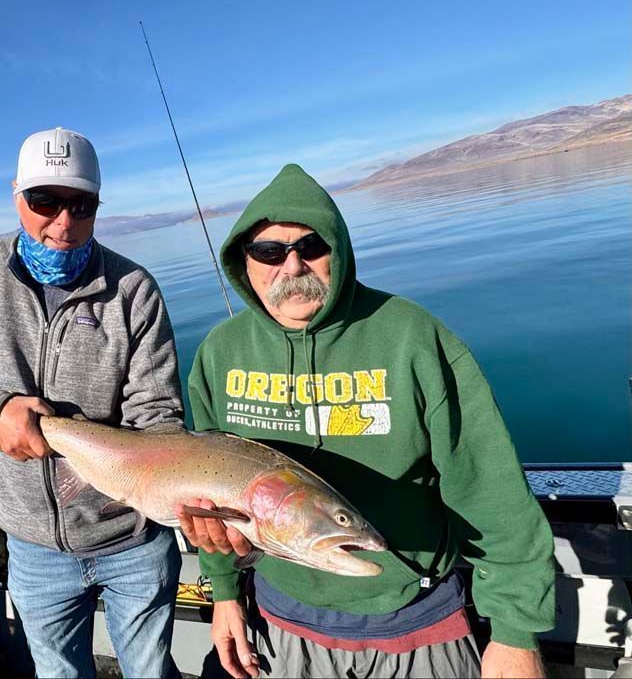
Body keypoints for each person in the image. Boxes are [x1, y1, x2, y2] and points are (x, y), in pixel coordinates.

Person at [177, 164, 555, 679]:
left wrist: (514, 633)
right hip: (280, 619)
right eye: (268, 251)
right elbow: (209, 489)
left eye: (311, 246)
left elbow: (490, 491)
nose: (291, 265)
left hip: (415, 621)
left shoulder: (412, 338)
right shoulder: (221, 352)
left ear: (340, 248)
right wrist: (225, 595)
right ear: (244, 262)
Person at [0, 127, 184, 678]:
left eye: (81, 205)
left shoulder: (132, 290)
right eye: (45, 202)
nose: (63, 223)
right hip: (32, 544)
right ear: (17, 196)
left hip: (132, 538)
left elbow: (158, 419)